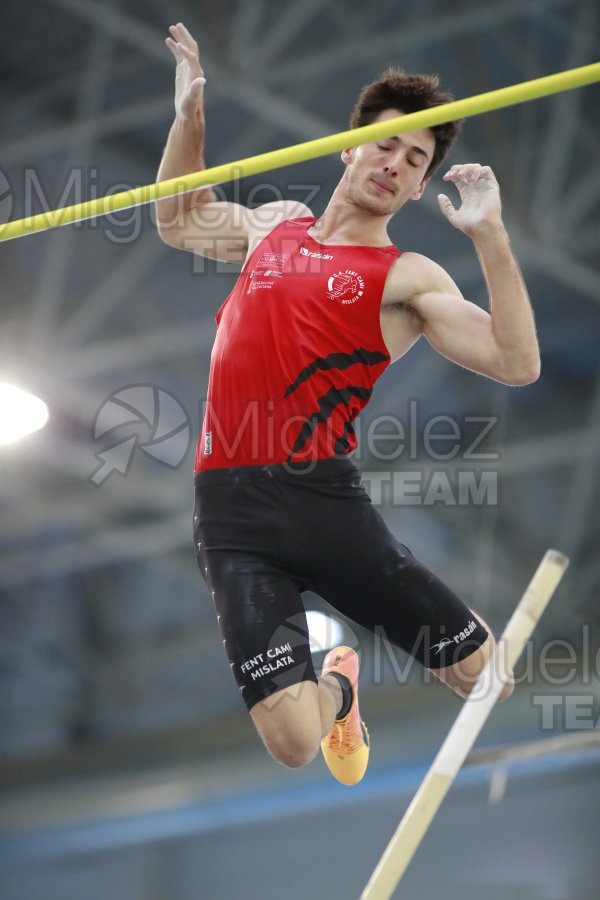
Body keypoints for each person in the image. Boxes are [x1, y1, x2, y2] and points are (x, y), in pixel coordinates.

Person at [156, 23, 539, 786]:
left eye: (416, 160)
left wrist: (490, 235)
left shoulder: (408, 277)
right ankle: (339, 690)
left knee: (484, 677)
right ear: (350, 146)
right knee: (296, 743)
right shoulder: (273, 229)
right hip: (230, 510)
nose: (395, 165)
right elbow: (178, 217)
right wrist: (189, 120)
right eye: (386, 145)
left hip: (320, 499)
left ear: (424, 186)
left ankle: (371, 674)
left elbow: (516, 360)